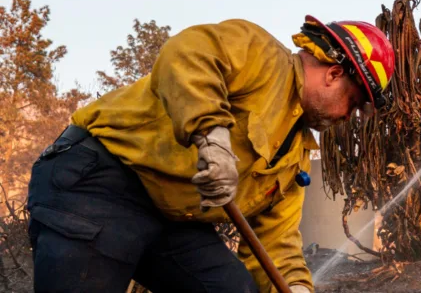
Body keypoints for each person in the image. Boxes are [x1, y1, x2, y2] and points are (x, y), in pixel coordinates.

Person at [26, 16, 394, 292]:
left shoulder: (293, 158)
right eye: (354, 102)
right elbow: (186, 55)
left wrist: (295, 287)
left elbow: (277, 242)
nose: (348, 117)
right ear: (333, 74)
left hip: (169, 217)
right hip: (98, 181)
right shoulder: (259, 53)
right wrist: (211, 135)